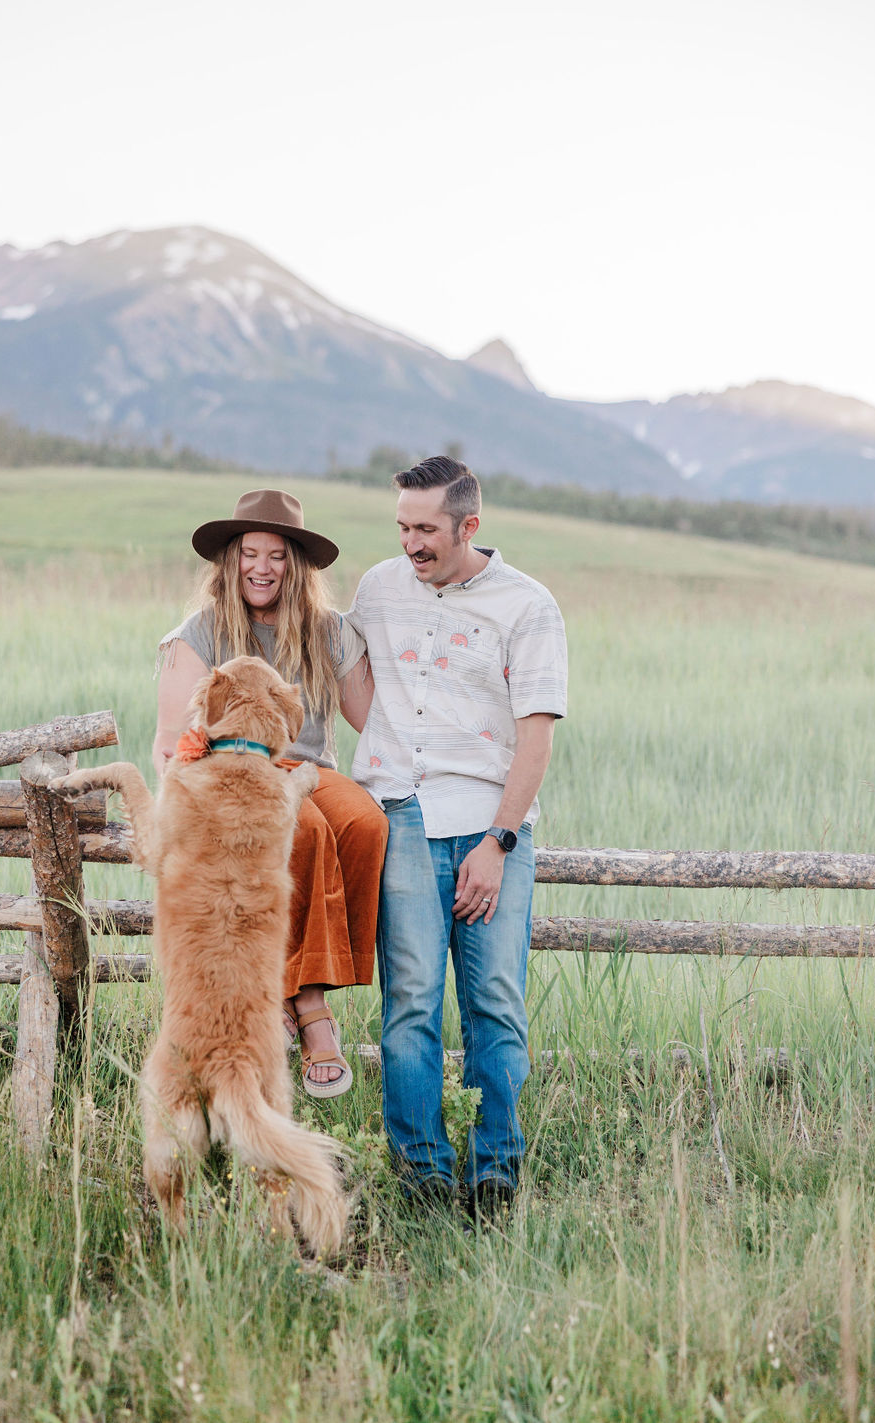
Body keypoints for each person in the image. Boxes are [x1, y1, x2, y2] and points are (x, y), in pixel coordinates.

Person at [346, 456, 567, 1216]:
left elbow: (535, 739)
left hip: (490, 825)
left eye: (427, 529)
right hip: (402, 815)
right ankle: (422, 1172)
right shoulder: (377, 587)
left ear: (469, 525)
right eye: (403, 525)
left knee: (496, 1002)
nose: (412, 542)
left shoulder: (528, 607)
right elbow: (359, 685)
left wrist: (498, 843)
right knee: (409, 1000)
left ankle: (495, 1168)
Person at [154, 488, 387, 1099]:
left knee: (365, 825)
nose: (262, 567)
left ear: (297, 565)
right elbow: (168, 741)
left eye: (277, 555)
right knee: (303, 829)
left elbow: (378, 722)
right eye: (249, 553)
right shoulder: (200, 633)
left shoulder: (327, 631)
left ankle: (301, 981)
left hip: (309, 767)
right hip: (234, 774)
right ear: (229, 562)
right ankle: (310, 1010)